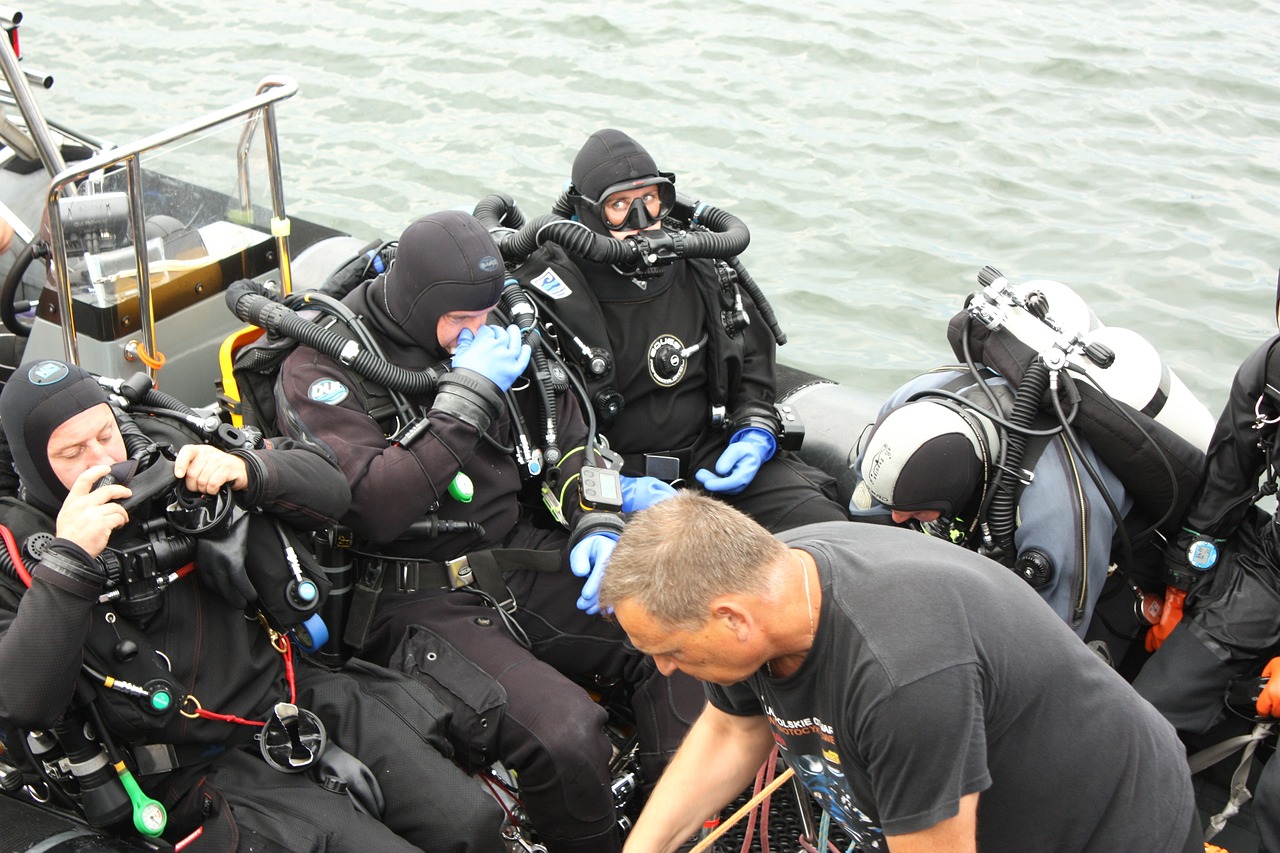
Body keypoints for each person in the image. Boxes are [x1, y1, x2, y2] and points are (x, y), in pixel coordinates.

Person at [273, 209, 703, 853]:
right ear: (416, 303)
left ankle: (667, 820)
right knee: (564, 732)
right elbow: (373, 507)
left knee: (684, 638)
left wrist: (595, 520)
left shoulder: (495, 327)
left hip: (515, 552)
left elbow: (570, 442)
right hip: (409, 593)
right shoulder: (320, 371)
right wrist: (469, 394)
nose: (476, 332)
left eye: (485, 313)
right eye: (460, 321)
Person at [0, 359, 503, 852]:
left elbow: (331, 489)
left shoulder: (172, 455)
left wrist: (248, 469)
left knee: (467, 820)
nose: (101, 460)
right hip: (185, 764)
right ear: (35, 465)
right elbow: (22, 702)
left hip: (291, 693)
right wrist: (68, 564)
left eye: (104, 435)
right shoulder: (21, 553)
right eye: (72, 452)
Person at [597, 492, 1200, 853]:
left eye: (670, 649)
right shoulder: (771, 579)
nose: (663, 668)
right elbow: (732, 729)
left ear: (732, 618)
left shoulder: (900, 678)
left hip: (1104, 829)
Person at [508, 128, 849, 536]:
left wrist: (755, 428)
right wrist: (618, 492)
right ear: (585, 211)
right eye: (619, 206)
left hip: (711, 455)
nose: (640, 221)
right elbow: (541, 421)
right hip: (616, 475)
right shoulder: (547, 292)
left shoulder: (701, 264)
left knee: (826, 528)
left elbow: (754, 363)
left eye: (649, 200)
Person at [847, 365, 1134, 640]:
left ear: (958, 490)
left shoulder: (1057, 515)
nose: (897, 518)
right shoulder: (915, 397)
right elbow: (868, 507)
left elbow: (1053, 640)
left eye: (914, 510)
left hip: (1113, 558)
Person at [1131, 330, 1280, 850]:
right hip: (1274, 566)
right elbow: (1225, 485)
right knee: (1143, 715)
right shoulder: (1271, 372)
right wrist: (1179, 594)